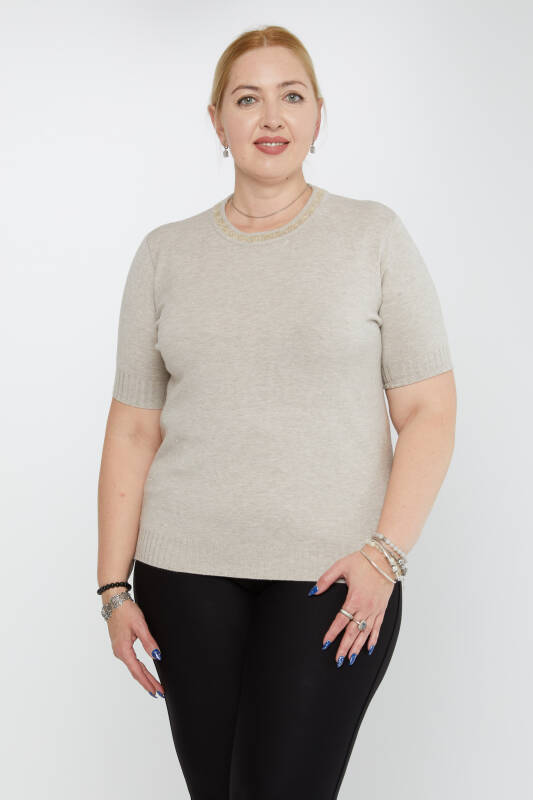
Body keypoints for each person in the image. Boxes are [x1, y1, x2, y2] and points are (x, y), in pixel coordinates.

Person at [97, 24, 456, 800]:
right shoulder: (164, 254)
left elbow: (428, 409)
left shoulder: (372, 236)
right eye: (246, 99)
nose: (270, 117)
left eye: (290, 96)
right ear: (216, 120)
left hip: (331, 577)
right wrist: (112, 590)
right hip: (183, 576)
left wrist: (383, 557)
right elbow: (133, 428)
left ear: (318, 115)